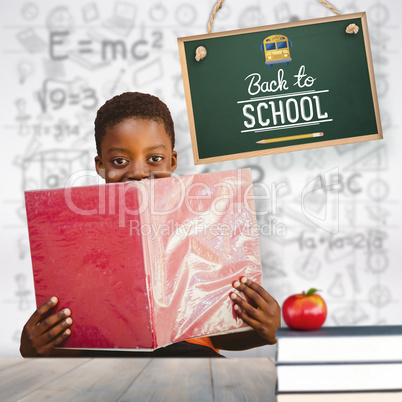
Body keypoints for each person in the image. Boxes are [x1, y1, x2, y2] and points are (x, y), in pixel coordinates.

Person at [20, 92, 281, 358]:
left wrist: (265, 331)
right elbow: (76, 342)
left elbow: (215, 333)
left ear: (172, 161)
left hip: (195, 369)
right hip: (112, 377)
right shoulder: (71, 236)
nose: (139, 172)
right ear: (101, 167)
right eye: (120, 161)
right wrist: (34, 348)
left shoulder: (207, 223)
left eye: (154, 158)